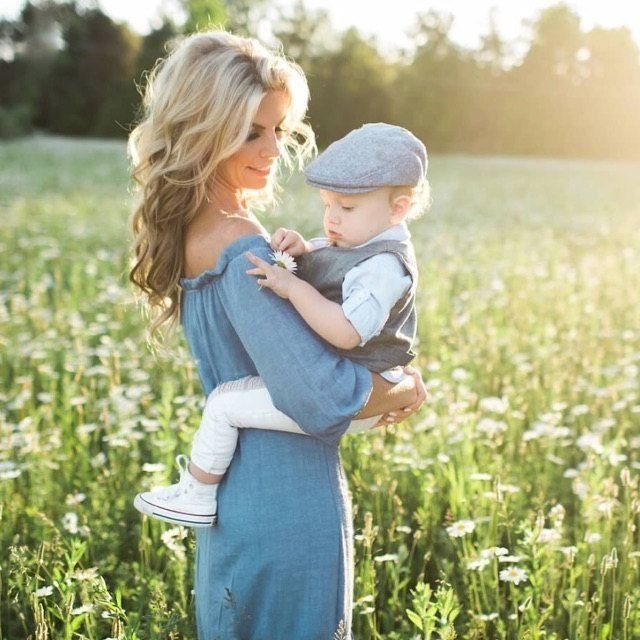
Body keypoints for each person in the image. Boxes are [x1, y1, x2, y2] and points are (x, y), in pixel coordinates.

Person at [128, 30, 426, 639]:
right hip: (283, 504)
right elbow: (316, 395)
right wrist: (401, 391)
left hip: (238, 497)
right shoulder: (240, 246)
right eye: (250, 133)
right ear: (202, 131)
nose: (273, 150)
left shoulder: (202, 227)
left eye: (279, 129)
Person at [134, 122, 430, 528]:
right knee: (227, 403)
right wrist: (302, 249)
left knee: (223, 405)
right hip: (358, 385)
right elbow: (330, 264)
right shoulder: (360, 240)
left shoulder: (383, 265)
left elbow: (345, 331)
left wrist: (292, 286)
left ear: (398, 208)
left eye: (346, 208)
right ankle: (196, 491)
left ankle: (197, 493)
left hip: (356, 387)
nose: (332, 219)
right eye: (327, 205)